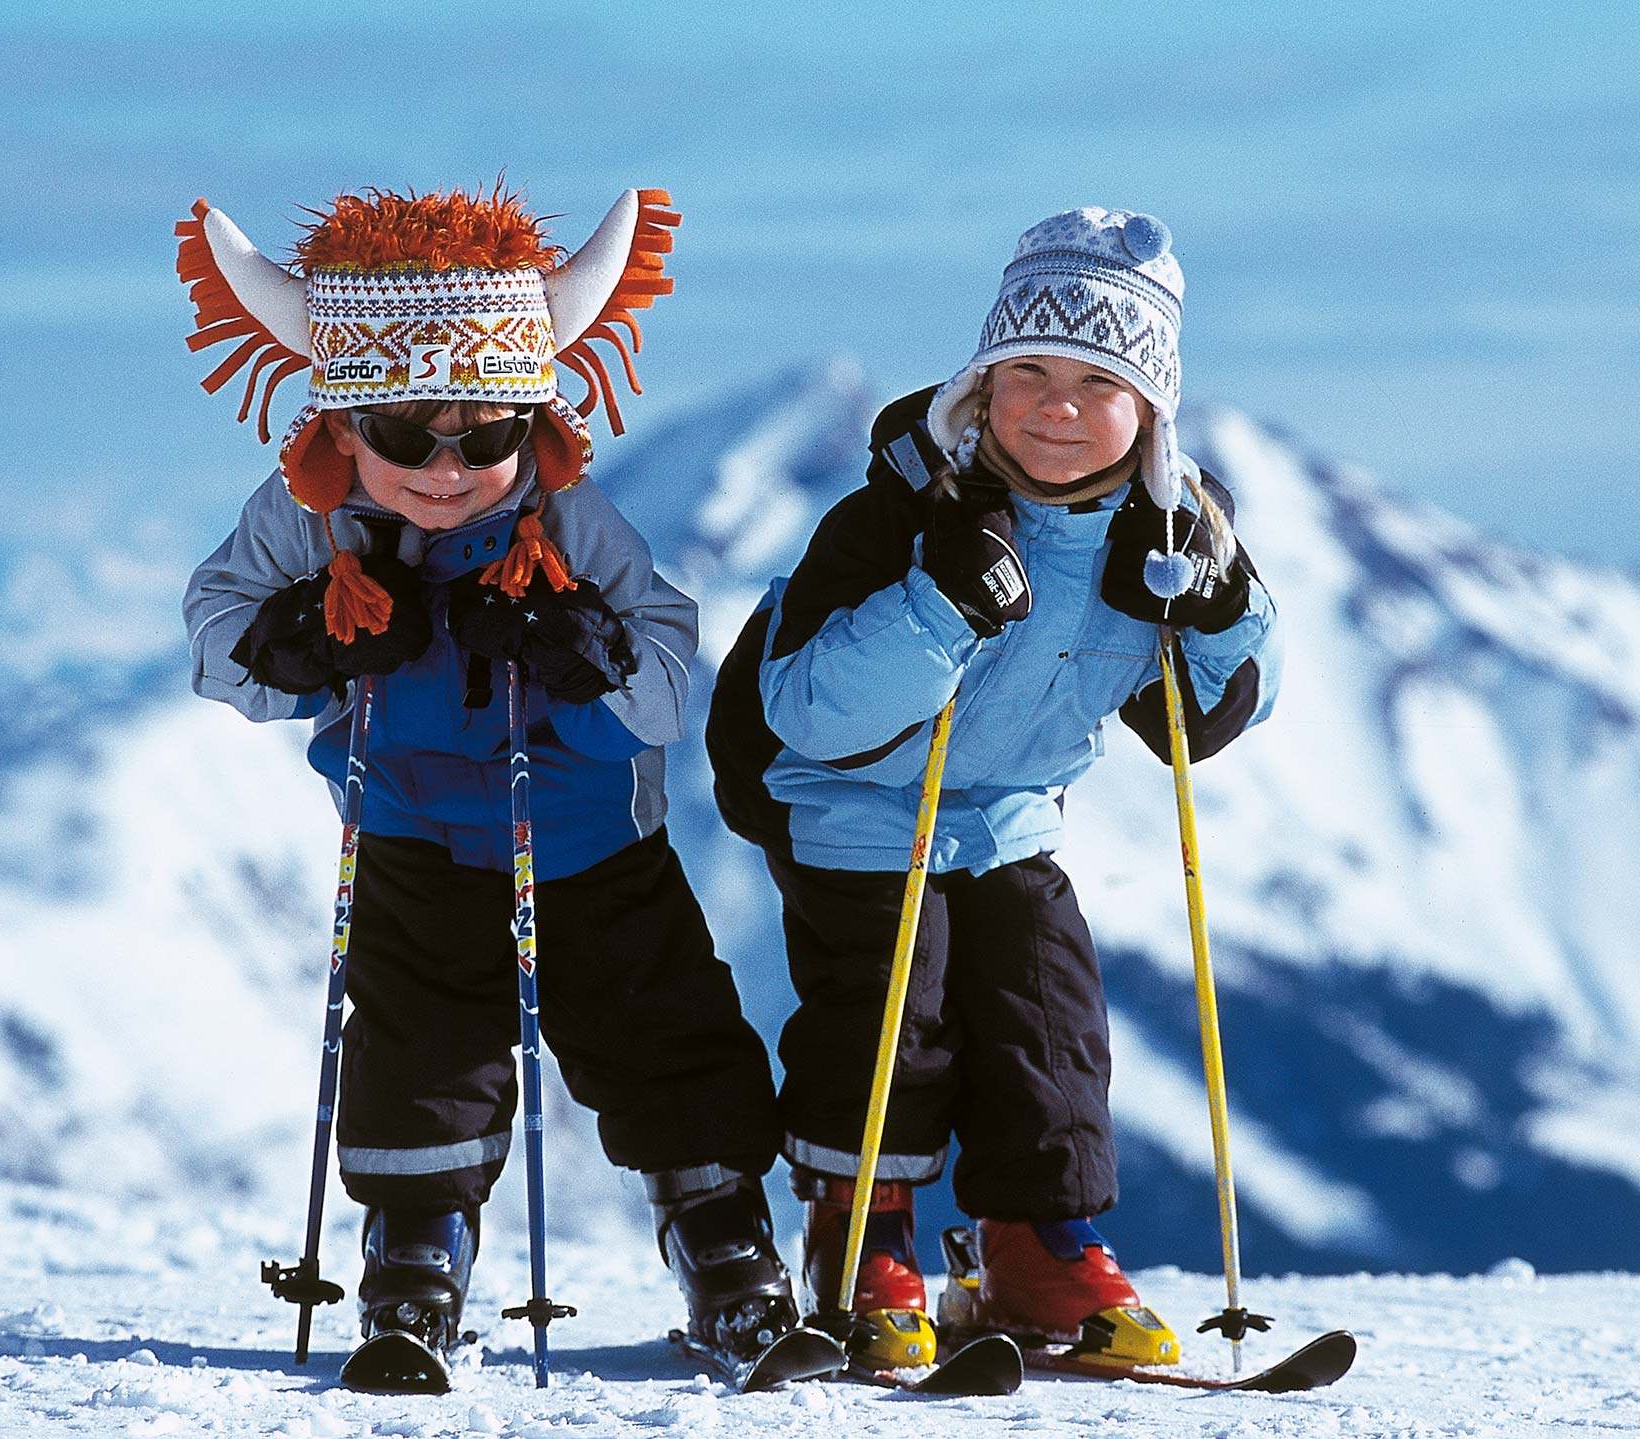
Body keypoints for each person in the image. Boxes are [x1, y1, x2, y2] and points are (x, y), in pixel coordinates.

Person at [176, 184, 795, 1364]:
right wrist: (306, 635)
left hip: (592, 844)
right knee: (419, 1044)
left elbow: (667, 680)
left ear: (533, 421)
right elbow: (218, 638)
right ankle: (414, 1251)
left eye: (489, 431)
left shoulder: (568, 518)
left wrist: (590, 652)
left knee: (661, 1036)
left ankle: (723, 1240)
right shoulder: (307, 518)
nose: (449, 468)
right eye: (409, 434)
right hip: (408, 835)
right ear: (343, 425)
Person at [707, 207, 1281, 1368]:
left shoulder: (1167, 536)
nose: (1056, 405)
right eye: (1026, 369)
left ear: (1151, 409)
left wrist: (1220, 611)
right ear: (981, 383)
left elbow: (1200, 721)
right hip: (859, 809)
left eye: (1096, 380)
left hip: (1014, 812)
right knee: (885, 1011)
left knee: (1047, 1012)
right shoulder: (897, 518)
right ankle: (860, 1233)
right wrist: (943, 606)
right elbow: (809, 707)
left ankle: (1035, 1240)